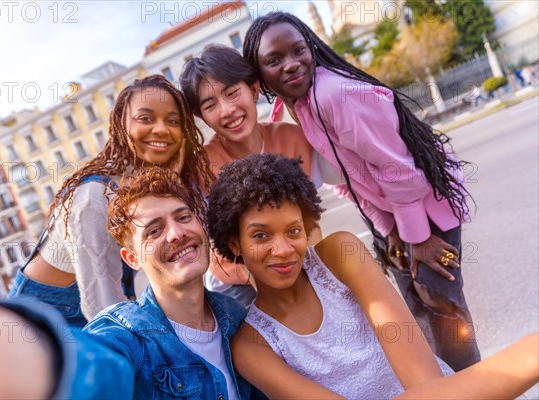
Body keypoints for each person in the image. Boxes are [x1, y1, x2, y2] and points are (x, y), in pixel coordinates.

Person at [243, 11, 480, 371]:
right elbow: (351, 177)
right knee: (415, 309)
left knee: (443, 306)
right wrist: (389, 231)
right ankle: (442, 385)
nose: (291, 65)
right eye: (274, 60)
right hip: (395, 218)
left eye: (298, 50)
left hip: (427, 211)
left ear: (312, 47)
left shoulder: (335, 94)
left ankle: (478, 385)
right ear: (260, 74)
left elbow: (397, 171)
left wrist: (417, 236)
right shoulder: (297, 104)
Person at [206, 153, 539, 399]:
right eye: (261, 236)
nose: (283, 249)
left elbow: (424, 378)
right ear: (235, 242)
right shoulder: (251, 344)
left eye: (293, 231)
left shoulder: (339, 255)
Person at [0, 168, 254, 399]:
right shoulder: (125, 336)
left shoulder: (236, 317)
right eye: (154, 231)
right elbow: (93, 368)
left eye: (183, 217)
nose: (176, 233)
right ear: (131, 259)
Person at [8, 75, 214, 326]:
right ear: (121, 124)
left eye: (173, 121)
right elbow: (101, 307)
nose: (161, 129)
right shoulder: (93, 197)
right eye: (146, 118)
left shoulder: (146, 184)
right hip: (44, 323)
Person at [179, 45, 316, 306]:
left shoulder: (293, 139)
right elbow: (221, 249)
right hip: (236, 281)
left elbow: (312, 220)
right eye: (210, 105)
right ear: (202, 117)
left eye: (232, 93)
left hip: (295, 262)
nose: (227, 110)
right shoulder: (202, 167)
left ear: (253, 89)